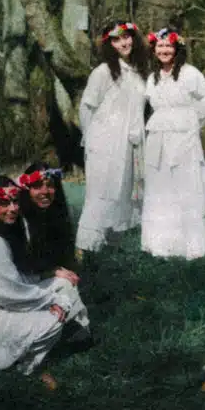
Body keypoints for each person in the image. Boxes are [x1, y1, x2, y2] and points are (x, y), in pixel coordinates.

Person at [0, 176, 90, 377]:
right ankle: (23, 365)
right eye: (4, 203)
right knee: (54, 319)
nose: (13, 209)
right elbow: (7, 293)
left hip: (3, 304)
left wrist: (52, 273)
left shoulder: (2, 232)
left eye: (15, 201)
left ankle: (74, 336)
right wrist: (52, 300)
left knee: (64, 283)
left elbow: (17, 278)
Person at [142, 27, 205, 259]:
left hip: (184, 137)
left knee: (186, 187)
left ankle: (191, 246)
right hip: (158, 137)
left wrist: (193, 124)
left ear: (177, 48)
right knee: (160, 187)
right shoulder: (152, 77)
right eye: (160, 46)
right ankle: (161, 244)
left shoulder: (190, 73)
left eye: (169, 46)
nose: (164, 50)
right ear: (154, 49)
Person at [75, 20, 148, 253]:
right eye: (116, 39)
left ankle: (112, 246)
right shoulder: (103, 72)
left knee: (122, 192)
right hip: (106, 141)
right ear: (109, 44)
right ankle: (87, 246)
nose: (123, 43)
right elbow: (87, 107)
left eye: (126, 37)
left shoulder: (139, 71)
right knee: (101, 192)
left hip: (130, 141)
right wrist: (92, 139)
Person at [18, 162, 75, 276]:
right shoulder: (18, 220)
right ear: (27, 190)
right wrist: (52, 272)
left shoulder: (58, 218)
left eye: (50, 185)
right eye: (37, 186)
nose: (45, 192)